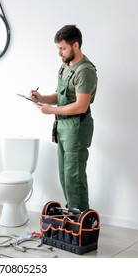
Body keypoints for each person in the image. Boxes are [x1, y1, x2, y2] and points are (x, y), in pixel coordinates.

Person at [29, 25, 97, 211]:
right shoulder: (65, 67)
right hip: (62, 127)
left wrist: (51, 111)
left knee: (74, 177)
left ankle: (80, 220)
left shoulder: (85, 71)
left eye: (63, 48)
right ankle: (73, 216)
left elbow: (81, 105)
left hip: (77, 128)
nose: (59, 53)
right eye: (58, 48)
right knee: (65, 176)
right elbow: (61, 97)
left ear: (75, 46)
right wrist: (41, 98)